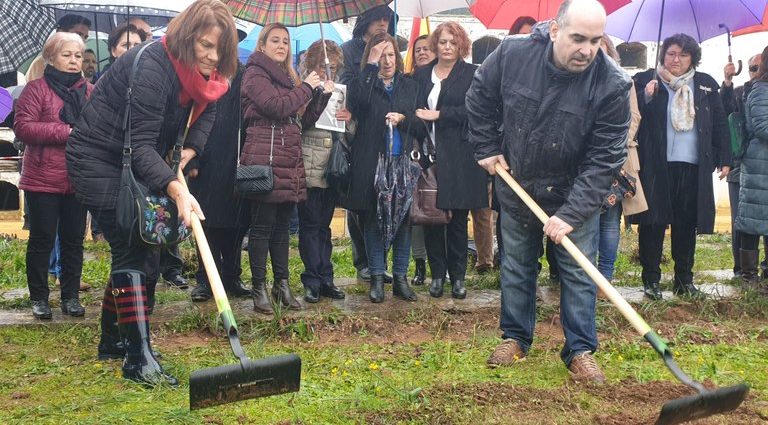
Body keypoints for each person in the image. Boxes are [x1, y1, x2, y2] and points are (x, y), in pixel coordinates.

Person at [66, 0, 238, 386]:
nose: (212, 57)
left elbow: (206, 115)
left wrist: (185, 155)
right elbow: (142, 144)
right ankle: (137, 357)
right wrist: (177, 190)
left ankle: (115, 342)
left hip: (134, 161)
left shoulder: (204, 79)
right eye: (206, 45)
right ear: (187, 36)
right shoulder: (153, 67)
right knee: (135, 245)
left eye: (219, 50)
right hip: (97, 158)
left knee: (143, 246)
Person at [467, 0, 631, 383]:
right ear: (555, 30)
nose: (587, 50)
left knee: (577, 272)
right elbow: (479, 98)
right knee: (517, 265)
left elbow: (605, 158)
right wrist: (487, 147)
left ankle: (580, 349)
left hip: (577, 190)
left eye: (595, 40)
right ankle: (515, 337)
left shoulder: (612, 84)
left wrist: (571, 215)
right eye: (578, 38)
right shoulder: (512, 54)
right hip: (519, 182)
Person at [632, 33, 730, 300]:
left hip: (692, 166)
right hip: (656, 165)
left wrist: (725, 159)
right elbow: (629, 115)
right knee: (653, 223)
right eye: (672, 53)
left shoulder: (705, 84)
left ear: (692, 59)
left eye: (683, 55)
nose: (676, 59)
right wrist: (646, 96)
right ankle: (651, 279)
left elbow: (719, 123)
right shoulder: (645, 80)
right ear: (663, 55)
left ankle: (684, 280)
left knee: (686, 224)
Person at [241, 23, 329, 314]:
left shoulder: (288, 77)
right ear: (263, 45)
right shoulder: (255, 73)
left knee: (281, 228)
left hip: (287, 156)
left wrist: (320, 95)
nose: (281, 46)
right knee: (262, 226)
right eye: (275, 40)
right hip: (265, 158)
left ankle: (282, 284)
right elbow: (276, 107)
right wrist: (306, 87)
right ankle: (258, 287)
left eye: (285, 42)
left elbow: (302, 121)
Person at [15, 32, 94, 320]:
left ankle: (70, 296)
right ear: (50, 57)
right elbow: (24, 128)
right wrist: (67, 133)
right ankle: (39, 298)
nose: (74, 61)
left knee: (74, 240)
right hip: (42, 179)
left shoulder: (89, 91)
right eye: (66, 55)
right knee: (42, 239)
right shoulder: (35, 90)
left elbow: (98, 127)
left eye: (78, 56)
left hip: (78, 178)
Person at [413, 22, 487, 299]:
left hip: (460, 156)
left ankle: (457, 278)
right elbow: (412, 106)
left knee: (456, 219)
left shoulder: (472, 74)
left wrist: (440, 115)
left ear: (461, 46)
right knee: (432, 217)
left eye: (452, 43)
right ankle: (437, 276)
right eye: (442, 42)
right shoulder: (421, 75)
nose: (446, 47)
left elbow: (475, 108)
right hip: (429, 155)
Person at [346, 32, 421, 303]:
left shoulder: (409, 85)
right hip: (372, 163)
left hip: (402, 163)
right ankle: (377, 277)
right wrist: (369, 68)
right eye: (380, 55)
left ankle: (400, 278)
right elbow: (357, 102)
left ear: (398, 58)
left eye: (391, 55)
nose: (386, 61)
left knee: (403, 222)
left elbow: (422, 124)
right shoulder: (363, 82)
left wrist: (404, 119)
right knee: (373, 220)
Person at [188, 29, 252, 303]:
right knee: (208, 220)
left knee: (237, 221)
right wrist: (194, 157)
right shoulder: (201, 74)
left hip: (238, 155)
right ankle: (205, 279)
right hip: (207, 157)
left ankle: (232, 275)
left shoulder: (247, 73)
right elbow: (189, 117)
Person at [340, 5, 394, 284]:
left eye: (387, 19)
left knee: (382, 202)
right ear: (367, 21)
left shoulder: (391, 46)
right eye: (378, 19)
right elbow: (348, 87)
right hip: (356, 130)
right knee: (358, 201)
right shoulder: (349, 49)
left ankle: (377, 260)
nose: (383, 24)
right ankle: (362, 259)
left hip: (383, 133)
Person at [297, 40, 351, 303]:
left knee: (325, 225)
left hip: (333, 163)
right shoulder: (304, 85)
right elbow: (299, 122)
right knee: (310, 224)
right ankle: (312, 278)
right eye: (323, 64)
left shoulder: (341, 88)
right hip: (309, 159)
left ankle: (326, 277)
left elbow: (349, 130)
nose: (329, 69)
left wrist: (348, 119)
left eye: (333, 65)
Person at [595, 35, 644, 284]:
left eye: (603, 50)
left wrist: (614, 143)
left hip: (616, 159)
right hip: (585, 162)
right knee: (586, 220)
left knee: (610, 221)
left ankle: (606, 276)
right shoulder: (578, 78)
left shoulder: (624, 81)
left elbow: (634, 116)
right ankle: (584, 275)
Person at [721, 53, 766, 279]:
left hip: (758, 166)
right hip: (744, 166)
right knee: (744, 221)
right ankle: (743, 270)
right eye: (751, 67)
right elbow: (726, 111)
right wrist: (728, 82)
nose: (754, 70)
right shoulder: (745, 92)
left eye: (758, 66)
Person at [738, 46, 768, 294]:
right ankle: (748, 275)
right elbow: (761, 127)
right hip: (759, 164)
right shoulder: (759, 90)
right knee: (752, 220)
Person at [407, 33, 435, 287]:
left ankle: (441, 264)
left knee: (439, 210)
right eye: (418, 50)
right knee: (417, 211)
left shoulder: (444, 81)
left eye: (427, 48)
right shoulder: (410, 81)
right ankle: (419, 263)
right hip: (417, 153)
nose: (422, 53)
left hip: (442, 155)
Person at [26, 15, 91, 82]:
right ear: (60, 32)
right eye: (78, 34)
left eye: (85, 37)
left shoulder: (77, 65)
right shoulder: (41, 63)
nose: (82, 40)